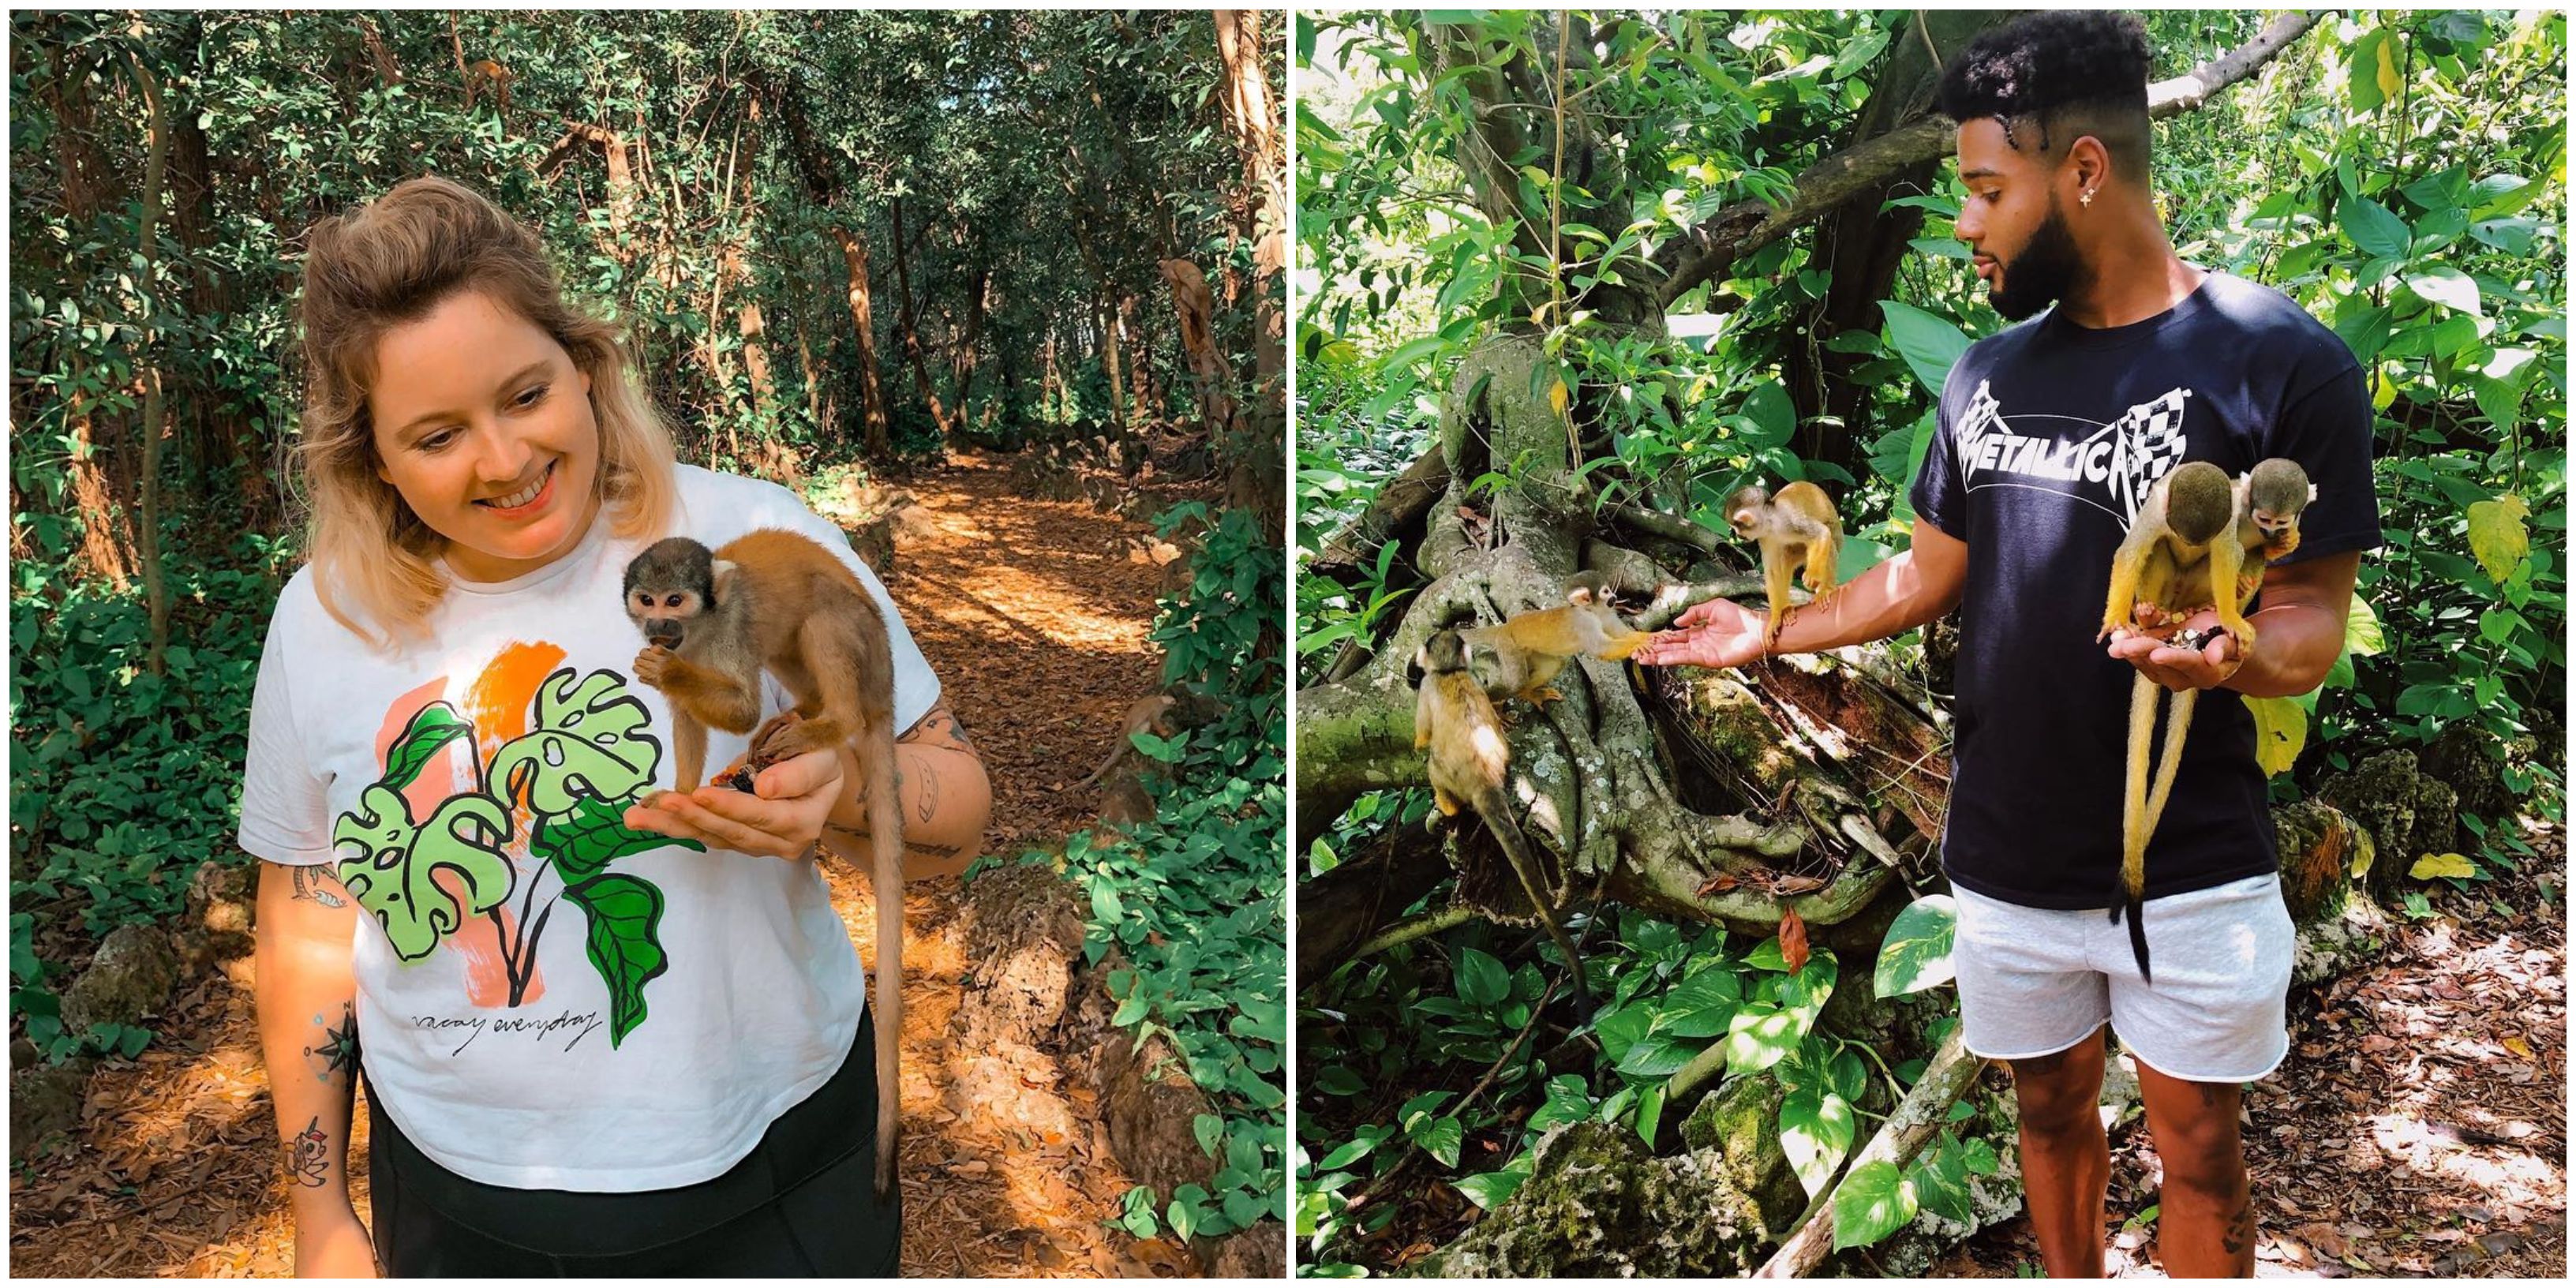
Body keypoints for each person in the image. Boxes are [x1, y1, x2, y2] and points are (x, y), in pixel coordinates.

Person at [1638, 11, 2378, 1278]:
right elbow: (1927, 576)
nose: (1963, 225)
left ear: (2082, 170)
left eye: (1986, 190)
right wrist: (1767, 629)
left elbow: (2309, 613)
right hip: (2007, 852)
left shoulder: (2279, 361)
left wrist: (2232, 653)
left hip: (2190, 859)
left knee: (2202, 1153)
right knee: (2047, 1113)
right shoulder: (1983, 374)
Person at [243, 176, 991, 1275]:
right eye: (438, 435)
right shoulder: (324, 620)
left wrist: (845, 790)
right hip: (458, 1195)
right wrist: (321, 1217)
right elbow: (311, 927)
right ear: (373, 457)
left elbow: (958, 813)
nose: (505, 461)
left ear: (585, 367)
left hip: (777, 1167)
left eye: (526, 395)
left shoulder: (747, 531)